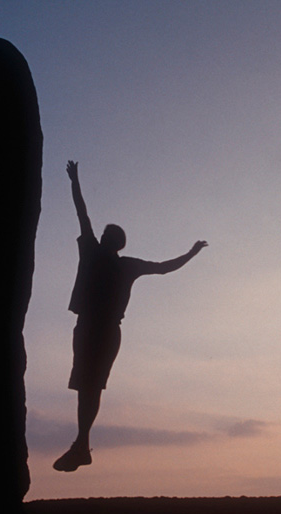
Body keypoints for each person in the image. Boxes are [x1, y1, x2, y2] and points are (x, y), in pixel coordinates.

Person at [55, 160, 206, 472]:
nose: (104, 233)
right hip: (90, 328)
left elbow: (165, 267)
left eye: (108, 232)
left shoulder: (117, 261)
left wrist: (192, 253)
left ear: (115, 242)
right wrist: (75, 181)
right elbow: (82, 213)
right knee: (86, 386)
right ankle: (81, 444)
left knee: (91, 386)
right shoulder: (101, 254)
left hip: (103, 330)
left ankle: (82, 443)